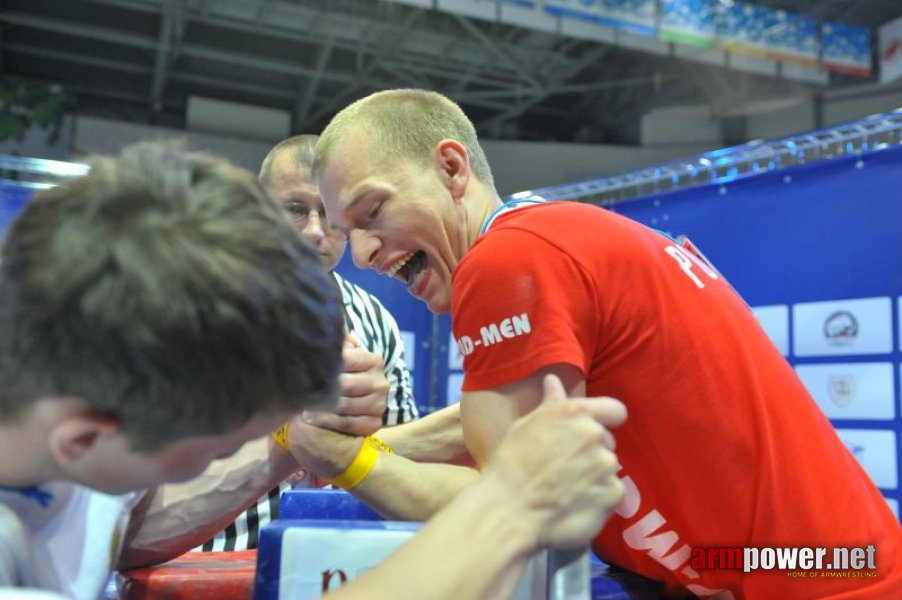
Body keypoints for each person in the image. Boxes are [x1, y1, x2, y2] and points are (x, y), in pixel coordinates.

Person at [310, 89, 902, 598]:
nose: (362, 254)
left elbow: (518, 505)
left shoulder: (506, 262)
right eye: (348, 231)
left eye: (373, 211)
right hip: (811, 567)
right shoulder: (549, 235)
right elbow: (511, 425)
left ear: (452, 168)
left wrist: (342, 459)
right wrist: (382, 445)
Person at [0, 141, 627, 600]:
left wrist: (287, 445)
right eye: (207, 451)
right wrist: (512, 508)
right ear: (83, 439)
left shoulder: (78, 409)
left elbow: (123, 518)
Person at [199, 134, 420, 552]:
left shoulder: (378, 321)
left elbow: (399, 458)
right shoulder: (197, 307)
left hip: (334, 561)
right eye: (296, 210)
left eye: (330, 213)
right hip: (205, 563)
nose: (317, 231)